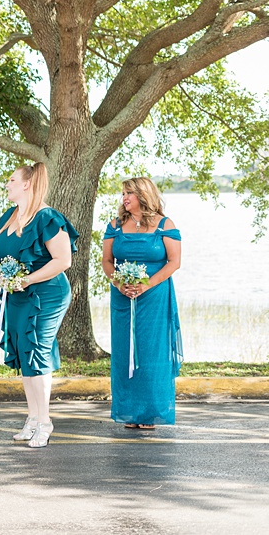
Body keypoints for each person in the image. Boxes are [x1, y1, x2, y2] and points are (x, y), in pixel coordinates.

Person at [0, 163, 78, 448]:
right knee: (24, 352)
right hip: (17, 294)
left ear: (27, 184)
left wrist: (26, 281)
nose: (7, 184)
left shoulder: (47, 217)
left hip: (46, 294)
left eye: (11, 180)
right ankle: (33, 417)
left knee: (37, 349)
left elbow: (63, 261)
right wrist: (7, 279)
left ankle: (45, 421)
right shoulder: (8, 216)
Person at [102, 177, 182, 429]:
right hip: (123, 298)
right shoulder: (115, 225)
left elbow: (174, 262)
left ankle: (150, 413)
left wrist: (147, 284)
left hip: (155, 297)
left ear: (143, 196)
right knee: (124, 351)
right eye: (123, 193)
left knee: (151, 352)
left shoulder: (164, 224)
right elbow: (107, 261)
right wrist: (118, 283)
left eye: (129, 193)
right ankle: (130, 412)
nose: (124, 198)